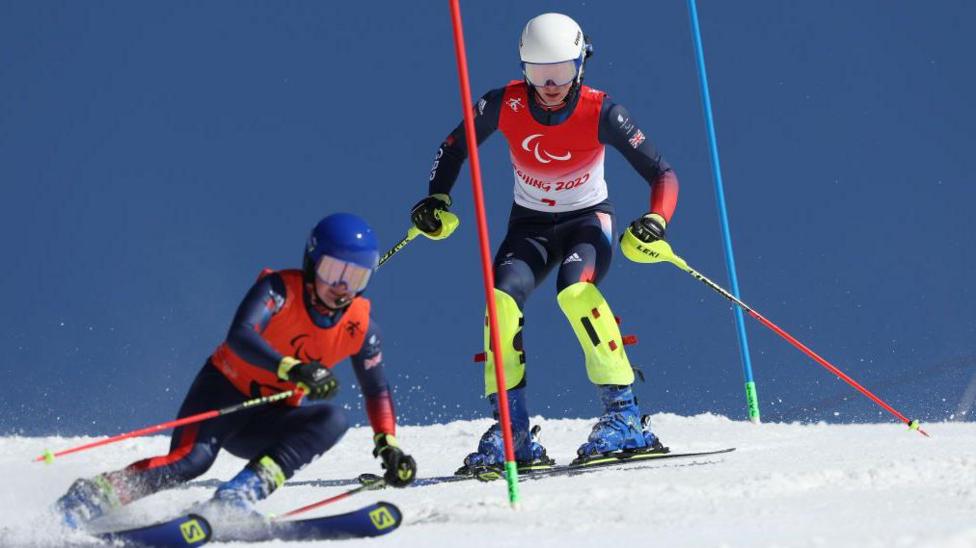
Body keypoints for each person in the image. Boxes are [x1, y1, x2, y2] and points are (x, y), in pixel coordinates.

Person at [409, 13, 679, 471]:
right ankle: (512, 432)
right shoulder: (503, 105)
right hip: (530, 226)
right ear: (523, 68)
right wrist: (435, 198)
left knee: (576, 293)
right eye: (538, 73)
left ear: (581, 64)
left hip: (586, 222)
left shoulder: (603, 112)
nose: (551, 85)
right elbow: (454, 146)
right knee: (499, 303)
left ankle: (626, 418)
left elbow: (662, 174)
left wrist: (656, 218)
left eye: (562, 72)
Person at [55, 213, 416, 528]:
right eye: (333, 271)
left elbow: (377, 391)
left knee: (334, 419)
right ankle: (90, 496)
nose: (341, 287)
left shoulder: (360, 328)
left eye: (355, 278)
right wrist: (294, 369)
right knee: (191, 462)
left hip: (267, 421)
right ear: (311, 262)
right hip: (223, 392)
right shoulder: (278, 290)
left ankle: (236, 498)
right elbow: (240, 336)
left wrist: (389, 447)